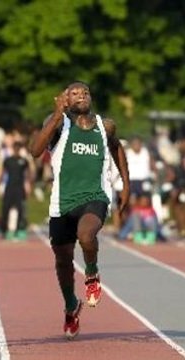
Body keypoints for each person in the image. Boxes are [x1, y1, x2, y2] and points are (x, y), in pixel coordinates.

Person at [29, 81, 130, 340]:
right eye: (74, 93)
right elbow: (35, 150)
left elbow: (117, 147)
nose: (81, 96)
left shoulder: (104, 126)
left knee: (86, 235)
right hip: (61, 203)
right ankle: (71, 306)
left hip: (95, 196)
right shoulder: (58, 125)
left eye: (85, 92)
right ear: (64, 99)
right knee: (62, 260)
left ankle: (92, 272)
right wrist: (55, 114)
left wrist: (126, 185)